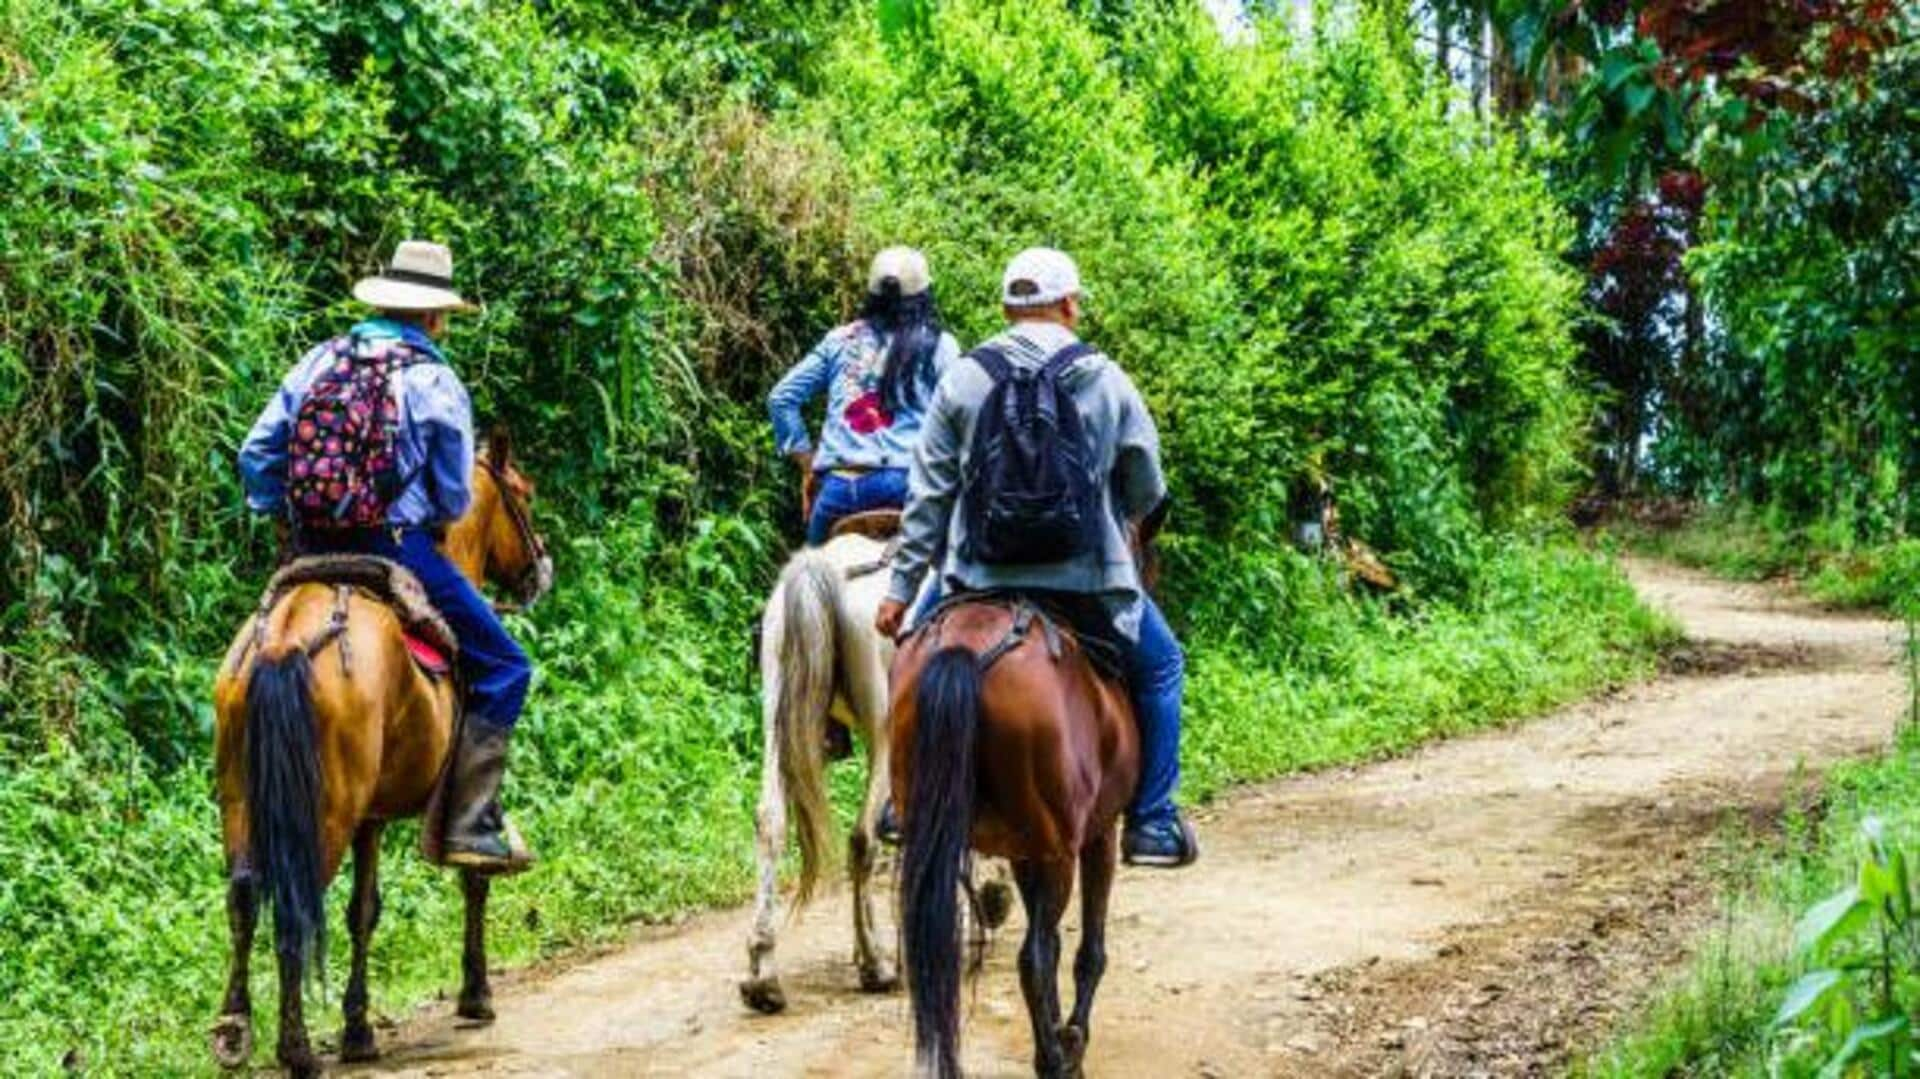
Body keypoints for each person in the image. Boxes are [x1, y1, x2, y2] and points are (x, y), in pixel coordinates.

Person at [874, 247, 1198, 868]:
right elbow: (1146, 488)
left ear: (1005, 309)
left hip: (977, 577)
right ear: (1071, 305)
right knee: (1161, 667)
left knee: (911, 663)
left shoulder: (965, 378)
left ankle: (903, 800)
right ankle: (1154, 822)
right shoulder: (1105, 377)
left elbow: (930, 496)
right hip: (1087, 581)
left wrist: (899, 589)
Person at [238, 240, 533, 875]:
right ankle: (469, 822)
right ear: (433, 317)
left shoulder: (319, 360)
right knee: (508, 666)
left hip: (307, 547)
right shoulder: (434, 379)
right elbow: (455, 497)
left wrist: (290, 517)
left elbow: (256, 455)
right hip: (389, 546)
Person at [767, 247, 960, 544]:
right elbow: (958, 417)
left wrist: (808, 465)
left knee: (810, 584)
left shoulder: (839, 340)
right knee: (944, 577)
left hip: (839, 488)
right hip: (905, 485)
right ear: (924, 295)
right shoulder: (940, 345)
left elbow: (781, 398)